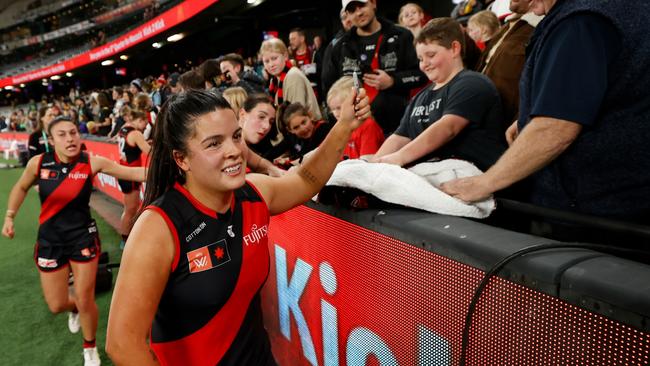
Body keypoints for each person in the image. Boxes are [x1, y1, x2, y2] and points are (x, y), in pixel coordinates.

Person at [105, 88, 370, 365]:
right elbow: (123, 344)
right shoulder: (158, 227)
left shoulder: (254, 193)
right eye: (213, 144)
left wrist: (344, 126)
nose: (234, 151)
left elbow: (306, 180)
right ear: (182, 159)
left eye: (235, 136)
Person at [441, 0, 650, 230]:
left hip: (598, 215)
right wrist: (529, 115)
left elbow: (556, 128)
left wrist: (483, 184)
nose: (508, 4)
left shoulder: (580, 19)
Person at [2, 116, 146, 366]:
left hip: (83, 236)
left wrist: (175, 168)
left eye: (73, 133)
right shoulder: (39, 163)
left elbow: (132, 171)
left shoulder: (91, 162)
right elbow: (21, 187)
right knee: (57, 304)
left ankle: (89, 347)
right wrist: (10, 216)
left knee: (85, 296)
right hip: (50, 240)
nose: (70, 139)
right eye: (62, 134)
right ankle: (74, 309)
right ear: (51, 139)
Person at [370, 18, 505, 171]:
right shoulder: (419, 98)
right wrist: (374, 166)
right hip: (430, 177)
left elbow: (448, 128)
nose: (424, 64)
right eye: (420, 59)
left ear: (454, 48)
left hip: (473, 176)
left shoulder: (473, 83)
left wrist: (399, 157)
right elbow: (400, 137)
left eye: (431, 55)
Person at [322, 0, 426, 134]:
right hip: (358, 133)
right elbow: (329, 89)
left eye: (362, 6)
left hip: (398, 129)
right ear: (347, 14)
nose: (358, 13)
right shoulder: (340, 46)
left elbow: (421, 75)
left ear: (373, 3)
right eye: (352, 10)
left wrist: (393, 81)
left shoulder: (402, 36)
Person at [476, 0, 540, 131]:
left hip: (503, 131)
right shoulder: (507, 24)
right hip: (478, 121)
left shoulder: (540, 27)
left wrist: (521, 123)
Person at [260, 37, 322, 120]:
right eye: (266, 61)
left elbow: (296, 118)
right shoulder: (274, 80)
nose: (271, 64)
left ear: (285, 56)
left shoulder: (293, 76)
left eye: (274, 58)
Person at [327, 76, 384, 160]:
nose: (336, 113)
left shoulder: (368, 126)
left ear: (355, 102)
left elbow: (367, 163)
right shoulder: (339, 127)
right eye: (333, 109)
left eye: (339, 108)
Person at [117, 109, 151, 249]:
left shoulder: (124, 128)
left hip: (124, 171)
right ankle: (125, 240)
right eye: (145, 124)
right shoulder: (136, 133)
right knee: (131, 208)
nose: (145, 127)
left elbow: (131, 146)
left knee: (130, 208)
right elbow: (149, 152)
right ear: (140, 120)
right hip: (131, 173)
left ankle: (127, 237)